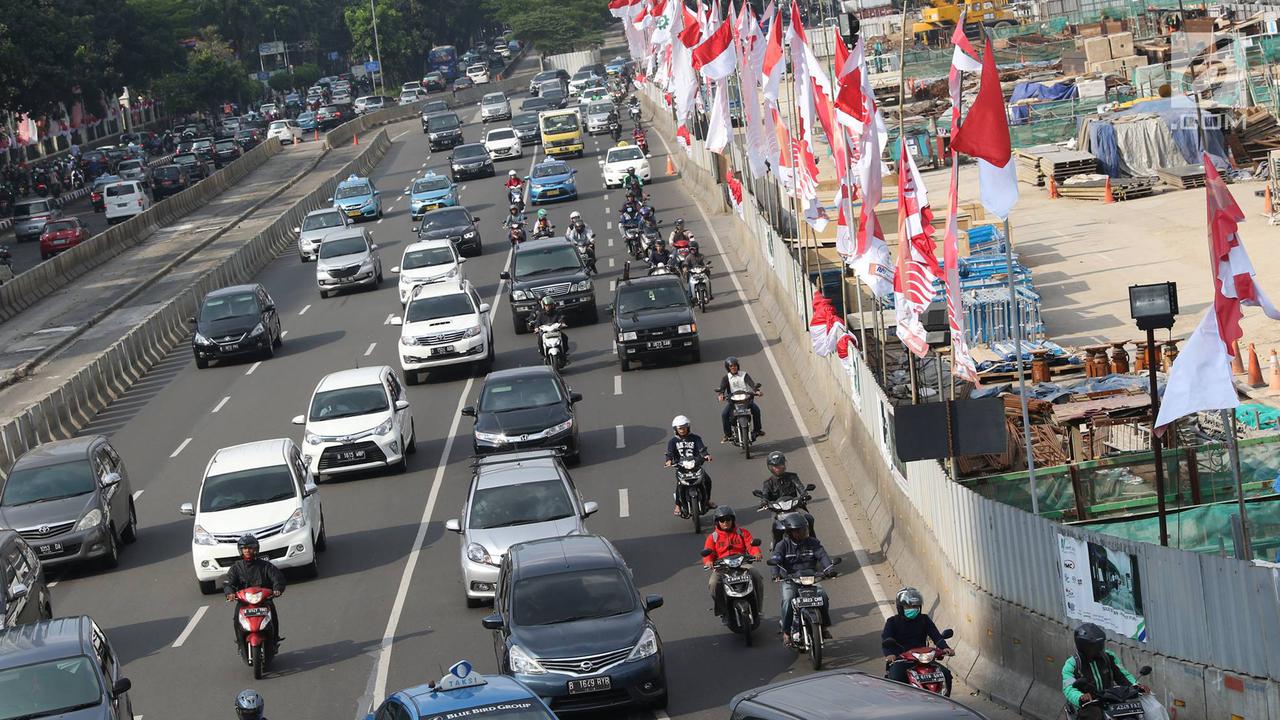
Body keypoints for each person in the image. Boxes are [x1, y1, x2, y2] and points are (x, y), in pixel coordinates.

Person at [1062, 623, 1152, 720]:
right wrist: (1080, 697)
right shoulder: (1072, 664)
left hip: (1110, 698)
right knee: (1094, 716)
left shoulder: (1108, 656)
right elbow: (1069, 688)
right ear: (1083, 646)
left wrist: (1136, 685)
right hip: (1088, 703)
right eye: (1093, 646)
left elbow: (1122, 675)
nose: (1098, 648)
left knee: (1138, 713)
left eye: (1100, 644)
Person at [771, 512, 834, 645]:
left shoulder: (813, 542)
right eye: (797, 530)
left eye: (803, 529)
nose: (801, 533)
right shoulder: (782, 545)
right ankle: (786, 632)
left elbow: (822, 555)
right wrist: (775, 573)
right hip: (791, 579)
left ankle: (824, 627)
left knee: (823, 596)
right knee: (788, 600)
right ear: (789, 532)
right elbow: (776, 559)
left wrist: (829, 569)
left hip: (811, 578)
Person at [883, 587, 954, 695]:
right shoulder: (892, 622)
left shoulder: (924, 619)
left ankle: (945, 700)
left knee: (946, 674)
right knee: (896, 677)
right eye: (908, 606)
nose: (913, 609)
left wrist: (945, 648)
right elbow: (886, 640)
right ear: (900, 607)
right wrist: (890, 654)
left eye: (915, 606)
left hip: (924, 659)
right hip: (902, 660)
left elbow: (937, 637)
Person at [224, 534, 286, 656]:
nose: (247, 551)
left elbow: (277, 578)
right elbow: (228, 583)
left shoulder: (265, 566)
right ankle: (240, 643)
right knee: (236, 618)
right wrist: (230, 593)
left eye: (250, 548)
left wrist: (277, 589)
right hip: (244, 602)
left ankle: (274, 640)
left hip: (264, 600)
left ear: (256, 549)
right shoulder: (236, 568)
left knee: (272, 614)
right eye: (244, 548)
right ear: (240, 550)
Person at [702, 506, 763, 624]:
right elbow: (708, 552)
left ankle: (758, 609)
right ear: (717, 522)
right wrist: (708, 561)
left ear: (732, 520)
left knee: (756, 576)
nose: (725, 522)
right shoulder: (712, 537)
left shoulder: (742, 533)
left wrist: (756, 553)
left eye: (728, 519)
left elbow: (751, 545)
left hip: (742, 564)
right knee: (713, 584)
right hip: (722, 567)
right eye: (722, 520)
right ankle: (723, 611)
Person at [664, 414, 714, 517]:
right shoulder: (672, 442)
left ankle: (708, 501)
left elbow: (702, 449)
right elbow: (670, 453)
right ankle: (678, 505)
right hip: (681, 468)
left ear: (688, 427)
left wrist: (706, 455)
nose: (682, 430)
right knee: (680, 485)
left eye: (684, 428)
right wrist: (668, 461)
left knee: (707, 481)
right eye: (680, 428)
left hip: (696, 466)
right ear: (675, 429)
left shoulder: (696, 438)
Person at [717, 356, 763, 442]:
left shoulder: (744, 374)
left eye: (735, 365)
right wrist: (721, 395)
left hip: (746, 399)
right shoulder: (726, 378)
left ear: (737, 366)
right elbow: (722, 388)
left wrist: (757, 391)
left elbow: (751, 384)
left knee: (756, 410)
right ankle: (728, 435)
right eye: (731, 366)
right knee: (724, 414)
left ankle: (757, 430)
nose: (733, 367)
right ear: (728, 367)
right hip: (733, 401)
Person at [531, 296, 568, 363]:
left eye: (550, 305)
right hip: (545, 333)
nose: (548, 307)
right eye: (546, 305)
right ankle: (544, 355)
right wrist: (536, 328)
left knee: (564, 337)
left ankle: (564, 353)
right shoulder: (541, 315)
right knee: (540, 340)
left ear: (553, 305)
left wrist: (562, 323)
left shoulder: (557, 312)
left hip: (555, 331)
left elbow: (561, 318)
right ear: (544, 306)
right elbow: (537, 323)